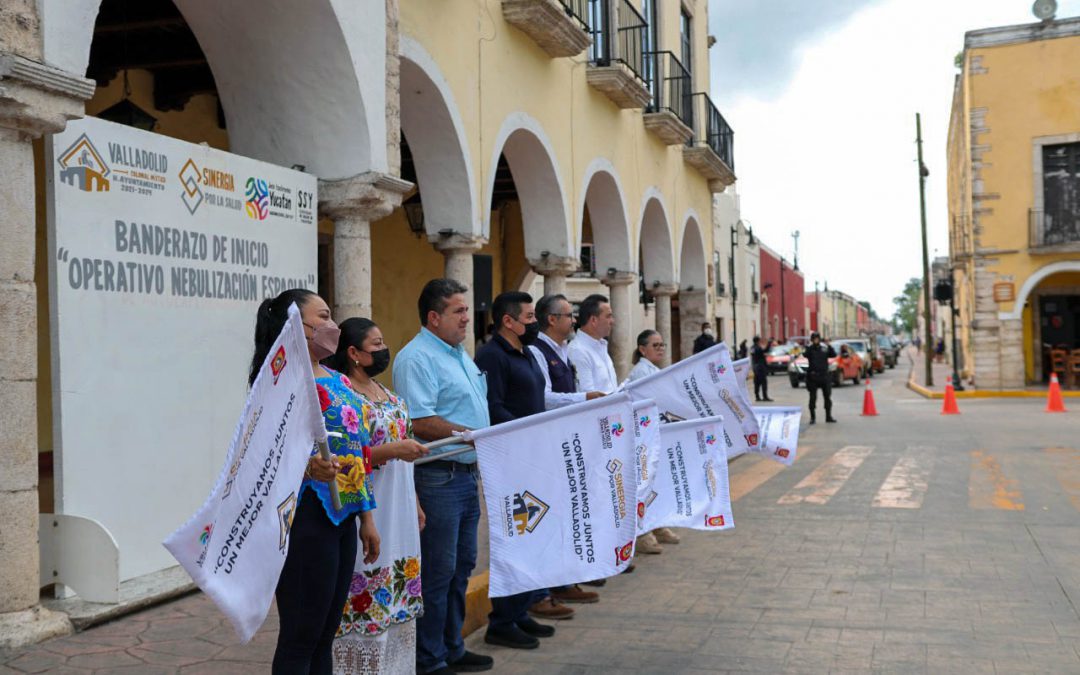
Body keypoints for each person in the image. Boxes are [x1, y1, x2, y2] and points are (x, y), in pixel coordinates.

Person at [250, 290, 379, 675]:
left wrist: (367, 518)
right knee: (300, 635)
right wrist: (307, 468)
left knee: (326, 633)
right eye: (322, 318)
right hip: (305, 517)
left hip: (344, 517)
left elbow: (359, 452)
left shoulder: (339, 379)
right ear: (295, 327)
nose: (332, 327)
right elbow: (265, 453)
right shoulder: (279, 384)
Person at [393, 279, 493, 675]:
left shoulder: (458, 355)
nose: (467, 317)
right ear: (434, 317)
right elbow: (421, 421)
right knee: (437, 571)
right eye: (458, 311)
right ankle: (428, 658)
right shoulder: (417, 358)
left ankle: (452, 647)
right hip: (438, 477)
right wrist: (468, 435)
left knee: (462, 565)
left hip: (466, 474)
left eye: (466, 310)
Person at [327, 318, 430, 675]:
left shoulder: (388, 395)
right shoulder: (344, 399)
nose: (383, 349)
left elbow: (407, 461)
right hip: (369, 505)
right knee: (366, 590)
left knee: (398, 595)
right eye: (376, 344)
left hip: (400, 504)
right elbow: (347, 459)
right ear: (353, 353)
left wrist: (415, 500)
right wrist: (392, 450)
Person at [474, 292, 564, 649]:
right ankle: (502, 620)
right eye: (528, 317)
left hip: (532, 457)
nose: (534, 323)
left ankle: (520, 609)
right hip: (511, 460)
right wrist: (527, 435)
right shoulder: (492, 356)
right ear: (508, 321)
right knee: (514, 537)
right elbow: (493, 407)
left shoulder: (529, 354)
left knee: (533, 537)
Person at [528, 294, 603, 608]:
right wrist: (584, 398)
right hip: (546, 444)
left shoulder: (562, 351)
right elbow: (544, 397)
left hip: (565, 441)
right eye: (568, 315)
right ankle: (546, 589)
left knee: (565, 513)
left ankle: (564, 579)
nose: (573, 320)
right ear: (551, 320)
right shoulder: (538, 351)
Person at [626, 330, 680, 554]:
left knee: (657, 484)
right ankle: (642, 532)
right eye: (655, 345)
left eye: (662, 344)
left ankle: (657, 524)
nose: (660, 348)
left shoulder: (654, 370)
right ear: (642, 349)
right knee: (644, 484)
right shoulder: (641, 372)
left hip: (656, 432)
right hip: (642, 435)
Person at [567, 294, 618, 394]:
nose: (612, 321)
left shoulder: (601, 345)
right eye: (608, 316)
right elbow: (587, 397)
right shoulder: (578, 351)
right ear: (594, 320)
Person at [804, 332, 837, 424]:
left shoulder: (824, 349)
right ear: (812, 340)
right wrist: (809, 346)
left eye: (817, 339)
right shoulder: (810, 349)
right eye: (814, 339)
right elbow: (805, 354)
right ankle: (812, 417)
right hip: (813, 377)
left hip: (824, 376)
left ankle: (828, 416)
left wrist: (829, 345)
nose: (816, 340)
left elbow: (833, 354)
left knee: (827, 397)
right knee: (813, 398)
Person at [751, 336, 773, 402]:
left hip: (755, 366)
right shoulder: (758, 348)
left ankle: (757, 396)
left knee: (756, 382)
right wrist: (769, 343)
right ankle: (765, 397)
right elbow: (765, 350)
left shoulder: (752, 348)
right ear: (758, 341)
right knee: (763, 382)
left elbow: (754, 355)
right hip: (760, 367)